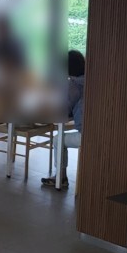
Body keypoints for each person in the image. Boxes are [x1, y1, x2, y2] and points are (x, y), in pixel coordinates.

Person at [42, 49, 84, 188]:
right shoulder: (90, 80)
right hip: (101, 131)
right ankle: (61, 177)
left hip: (86, 136)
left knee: (57, 139)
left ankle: (61, 177)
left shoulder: (74, 84)